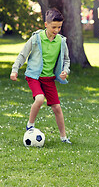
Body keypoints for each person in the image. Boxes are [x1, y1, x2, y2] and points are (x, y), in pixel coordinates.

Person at [10, 8, 71, 144]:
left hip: (49, 78)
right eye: (53, 27)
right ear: (46, 25)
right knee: (39, 99)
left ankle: (63, 137)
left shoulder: (61, 41)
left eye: (59, 27)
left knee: (57, 108)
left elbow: (66, 60)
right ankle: (30, 125)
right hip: (34, 76)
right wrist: (15, 70)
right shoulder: (36, 39)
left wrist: (65, 71)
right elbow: (23, 55)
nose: (56, 30)